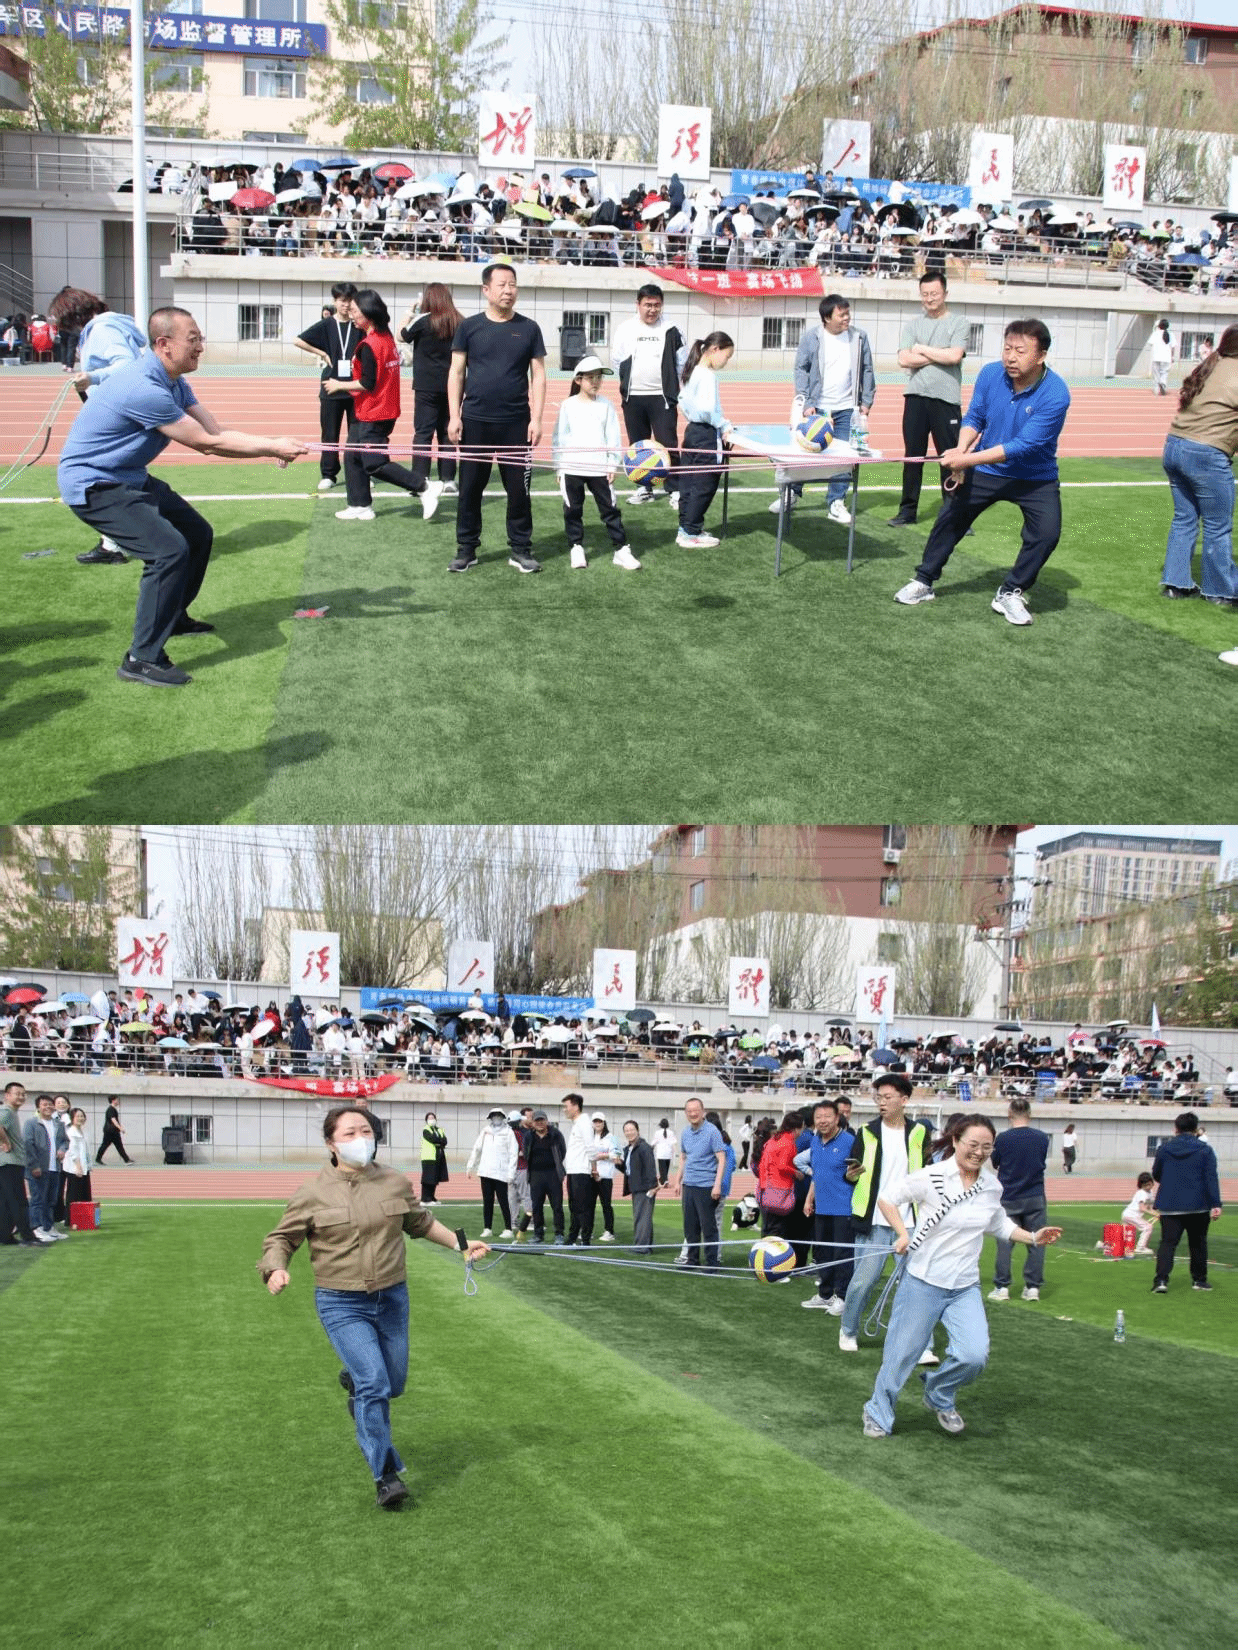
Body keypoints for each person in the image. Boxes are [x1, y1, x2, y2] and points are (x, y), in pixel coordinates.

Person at [56, 306, 307, 687]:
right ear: (164, 344)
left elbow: (214, 430)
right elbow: (207, 444)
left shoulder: (174, 381)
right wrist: (271, 447)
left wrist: (270, 443)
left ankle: (172, 617)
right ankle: (141, 658)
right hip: (95, 484)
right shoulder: (143, 387)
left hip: (128, 476)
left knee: (196, 534)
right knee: (168, 551)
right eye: (193, 340)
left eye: (200, 338)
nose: (200, 346)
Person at [259, 1105, 489, 1508]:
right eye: (349, 1133)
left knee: (393, 1383)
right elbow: (281, 1239)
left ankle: (355, 1381)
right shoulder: (312, 1193)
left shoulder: (393, 1182)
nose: (360, 1139)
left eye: (366, 1131)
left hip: (392, 1298)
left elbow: (419, 1222)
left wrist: (461, 1244)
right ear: (330, 1143)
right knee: (375, 1384)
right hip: (341, 1302)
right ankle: (385, 1475)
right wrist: (275, 1269)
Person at [861, 1115, 1062, 1438]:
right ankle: (877, 1412)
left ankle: (939, 1391)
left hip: (964, 1286)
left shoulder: (992, 1186)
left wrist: (1033, 1237)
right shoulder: (932, 1176)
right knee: (901, 1355)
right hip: (922, 1281)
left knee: (974, 1355)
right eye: (973, 1144)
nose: (979, 1152)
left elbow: (998, 1224)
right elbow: (888, 1198)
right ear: (955, 1141)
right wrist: (902, 1233)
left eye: (987, 1147)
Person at [894, 318, 1071, 626]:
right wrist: (961, 449)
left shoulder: (1056, 394)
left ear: (1041, 356)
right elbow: (975, 416)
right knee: (951, 518)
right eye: (1007, 348)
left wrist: (966, 460)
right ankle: (924, 580)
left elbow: (1022, 446)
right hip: (987, 468)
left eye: (1020, 351)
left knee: (1046, 534)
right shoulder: (991, 374)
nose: (1011, 357)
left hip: (1035, 477)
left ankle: (1010, 591)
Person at [447, 264, 547, 574]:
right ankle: (466, 549)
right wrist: (454, 416)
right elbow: (456, 372)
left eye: (512, 284)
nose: (508, 290)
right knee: (469, 489)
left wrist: (537, 419)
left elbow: (539, 375)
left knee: (519, 491)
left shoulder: (529, 328)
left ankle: (520, 549)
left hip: (516, 423)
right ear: (486, 290)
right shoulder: (469, 327)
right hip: (475, 421)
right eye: (502, 284)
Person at [323, 289, 443, 524]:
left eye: (355, 311)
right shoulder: (385, 337)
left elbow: (367, 383)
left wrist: (339, 385)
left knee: (375, 464)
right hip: (376, 409)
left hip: (374, 412)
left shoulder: (371, 344)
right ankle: (360, 505)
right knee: (353, 456)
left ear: (368, 314)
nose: (351, 315)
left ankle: (424, 486)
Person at [47, 287, 146, 566]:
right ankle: (112, 543)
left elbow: (127, 366)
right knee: (113, 473)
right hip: (117, 412)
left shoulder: (103, 329)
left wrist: (92, 377)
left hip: (116, 415)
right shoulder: (107, 327)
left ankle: (124, 540)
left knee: (96, 473)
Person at [838, 1073, 934, 1355]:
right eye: (878, 1097)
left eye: (888, 1097)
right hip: (874, 1221)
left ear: (904, 1100)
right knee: (863, 1281)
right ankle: (848, 1330)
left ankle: (922, 1345)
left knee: (918, 1285)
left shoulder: (919, 1133)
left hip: (911, 1221)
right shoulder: (866, 1131)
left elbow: (928, 1172)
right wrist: (851, 1175)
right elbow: (852, 1174)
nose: (881, 1102)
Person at [1158, 322, 1238, 607]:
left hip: (1174, 445)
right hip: (1206, 453)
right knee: (1217, 525)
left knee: (1185, 518)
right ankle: (1220, 590)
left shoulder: (1212, 365)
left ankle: (1175, 583)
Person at [888, 273, 969, 527]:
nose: (930, 298)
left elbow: (954, 356)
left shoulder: (959, 323)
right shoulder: (913, 325)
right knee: (913, 457)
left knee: (951, 458)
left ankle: (955, 515)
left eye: (934, 293)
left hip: (946, 399)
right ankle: (907, 511)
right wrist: (939, 354)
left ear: (945, 293)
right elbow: (904, 359)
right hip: (915, 397)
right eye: (925, 294)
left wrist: (922, 349)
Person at [789, 294, 876, 525]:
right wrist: (806, 402)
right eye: (841, 314)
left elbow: (867, 369)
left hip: (847, 408)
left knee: (844, 457)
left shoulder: (859, 337)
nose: (847, 318)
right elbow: (801, 368)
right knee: (806, 453)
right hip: (817, 407)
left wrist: (866, 401)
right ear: (827, 318)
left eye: (848, 313)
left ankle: (836, 502)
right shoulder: (812, 337)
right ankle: (791, 494)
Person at [551, 354, 640, 570]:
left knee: (610, 509)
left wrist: (612, 465)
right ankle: (576, 547)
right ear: (578, 380)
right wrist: (559, 467)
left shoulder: (606, 405)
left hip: (599, 468)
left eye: (599, 377)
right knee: (573, 509)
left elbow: (613, 437)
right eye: (590, 377)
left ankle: (621, 549)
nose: (596, 382)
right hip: (572, 467)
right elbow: (559, 438)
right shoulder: (568, 405)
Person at [610, 283, 685, 506]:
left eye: (656, 305)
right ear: (638, 304)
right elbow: (617, 360)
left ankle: (675, 489)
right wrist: (627, 384)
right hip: (633, 398)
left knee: (668, 444)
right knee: (638, 446)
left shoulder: (672, 329)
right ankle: (644, 488)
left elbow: (681, 362)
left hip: (662, 398)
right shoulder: (625, 329)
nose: (652, 310)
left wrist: (671, 386)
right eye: (647, 305)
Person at [293, 282, 362, 494]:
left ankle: (360, 474)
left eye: (349, 302)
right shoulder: (326, 325)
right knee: (330, 434)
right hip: (331, 388)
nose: (346, 306)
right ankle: (328, 474)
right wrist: (322, 353)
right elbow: (298, 340)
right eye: (342, 301)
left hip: (356, 388)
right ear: (334, 302)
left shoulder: (359, 325)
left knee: (357, 436)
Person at [399, 282, 462, 495]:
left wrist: (410, 311)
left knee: (423, 433)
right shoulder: (459, 321)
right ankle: (448, 479)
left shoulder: (423, 320)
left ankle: (420, 479)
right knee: (447, 432)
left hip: (426, 386)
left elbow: (401, 335)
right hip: (453, 384)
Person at [987, 1097, 1051, 1302]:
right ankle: (1033, 1287)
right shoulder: (1042, 1137)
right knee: (1036, 1242)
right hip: (1034, 1196)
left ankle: (1002, 1286)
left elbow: (996, 1163)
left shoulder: (1003, 1139)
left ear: (1009, 1114)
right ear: (1029, 1114)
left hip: (1009, 1196)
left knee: (1005, 1242)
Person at [676, 331, 735, 550]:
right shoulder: (707, 375)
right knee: (704, 484)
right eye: (727, 356)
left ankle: (685, 528)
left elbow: (682, 401)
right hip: (706, 435)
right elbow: (708, 410)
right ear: (715, 349)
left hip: (692, 432)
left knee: (688, 483)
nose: (726, 362)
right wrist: (725, 425)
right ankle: (691, 532)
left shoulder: (691, 371)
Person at [1150, 1112, 1222, 1293]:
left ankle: (1161, 1281)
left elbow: (1157, 1173)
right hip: (1198, 1205)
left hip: (1170, 1204)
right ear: (1196, 1129)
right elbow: (1211, 1178)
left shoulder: (1164, 1149)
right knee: (1198, 1244)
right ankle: (1199, 1280)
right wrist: (1216, 1204)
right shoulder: (1205, 1150)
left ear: (1176, 1129)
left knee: (1168, 1243)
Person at [797, 1099, 856, 1314]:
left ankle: (842, 1296)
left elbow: (858, 1173)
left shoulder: (849, 1141)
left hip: (843, 1208)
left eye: (827, 1116)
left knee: (842, 1255)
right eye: (818, 1117)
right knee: (823, 1254)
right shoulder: (815, 1141)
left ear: (837, 1118)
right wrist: (809, 1199)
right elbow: (817, 1174)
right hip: (821, 1208)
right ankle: (825, 1294)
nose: (823, 1121)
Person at [669, 1097, 726, 1271]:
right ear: (686, 1113)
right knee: (690, 1226)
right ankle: (692, 1260)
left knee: (708, 1227)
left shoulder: (712, 1131)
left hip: (706, 1186)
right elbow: (683, 1158)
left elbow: (721, 1158)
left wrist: (717, 1185)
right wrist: (678, 1181)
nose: (693, 1114)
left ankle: (712, 1263)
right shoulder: (685, 1132)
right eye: (689, 1111)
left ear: (703, 1112)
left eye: (696, 1110)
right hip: (689, 1185)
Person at [23, 1094, 68, 1243]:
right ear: (38, 1107)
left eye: (50, 1104)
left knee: (51, 1201)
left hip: (55, 1168)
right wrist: (34, 1165)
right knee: (38, 1200)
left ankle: (49, 1227)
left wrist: (62, 1149)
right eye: (44, 1104)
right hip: (38, 1169)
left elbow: (65, 1141)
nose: (48, 1107)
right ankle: (37, 1228)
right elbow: (28, 1145)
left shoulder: (58, 1124)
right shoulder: (31, 1123)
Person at [466, 1106, 517, 1238]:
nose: (496, 1118)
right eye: (494, 1116)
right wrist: (470, 1166)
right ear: (490, 1117)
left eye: (499, 1115)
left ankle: (508, 1229)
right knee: (487, 1201)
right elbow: (477, 1148)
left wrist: (511, 1173)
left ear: (503, 1117)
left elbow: (513, 1154)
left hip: (501, 1172)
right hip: (485, 1171)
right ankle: (487, 1228)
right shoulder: (486, 1131)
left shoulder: (508, 1132)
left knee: (503, 1201)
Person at [0, 1081, 38, 1247]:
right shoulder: (6, 1111)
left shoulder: (11, 1112)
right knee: (19, 1201)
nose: (21, 1097)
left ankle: (5, 1236)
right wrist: (6, 1142)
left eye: (23, 1094)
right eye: (17, 1093)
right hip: (10, 1162)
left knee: (6, 1202)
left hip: (7, 1163)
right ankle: (28, 1237)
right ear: (7, 1095)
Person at [525, 1107, 567, 1244]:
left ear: (546, 1121)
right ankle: (538, 1235)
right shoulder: (529, 1136)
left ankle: (559, 1234)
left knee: (557, 1206)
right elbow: (526, 1153)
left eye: (542, 1120)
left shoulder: (556, 1134)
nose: (540, 1123)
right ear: (533, 1123)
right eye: (537, 1120)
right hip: (535, 1175)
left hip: (553, 1175)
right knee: (537, 1206)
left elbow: (563, 1151)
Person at [562, 1092, 595, 1245]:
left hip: (581, 1171)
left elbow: (590, 1148)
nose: (565, 1110)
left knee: (583, 1208)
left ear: (575, 1106)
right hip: (573, 1171)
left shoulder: (584, 1123)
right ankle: (572, 1237)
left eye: (566, 1106)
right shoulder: (577, 1124)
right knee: (573, 1207)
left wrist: (593, 1168)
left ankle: (585, 1239)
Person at [621, 1119, 658, 1252]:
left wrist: (653, 1187)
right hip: (636, 1187)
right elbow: (628, 1169)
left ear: (637, 1131)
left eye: (632, 1130)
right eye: (626, 1130)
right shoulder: (629, 1149)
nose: (629, 1133)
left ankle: (642, 1247)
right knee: (641, 1217)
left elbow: (650, 1167)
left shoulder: (644, 1147)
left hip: (644, 1188)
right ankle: (644, 1245)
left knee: (642, 1218)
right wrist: (618, 1163)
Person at [586, 1111, 620, 1242]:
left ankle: (609, 1231)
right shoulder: (589, 1137)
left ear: (604, 1123)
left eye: (599, 1121)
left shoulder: (613, 1138)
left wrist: (603, 1156)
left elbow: (618, 1156)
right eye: (595, 1121)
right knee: (589, 1205)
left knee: (606, 1205)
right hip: (590, 1175)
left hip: (605, 1176)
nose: (597, 1124)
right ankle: (588, 1231)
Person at [60, 1107, 93, 1228]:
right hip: (74, 1168)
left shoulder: (83, 1132)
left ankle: (84, 1219)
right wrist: (78, 1166)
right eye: (77, 1116)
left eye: (82, 1116)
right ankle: (70, 1220)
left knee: (85, 1193)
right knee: (74, 1195)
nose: (80, 1118)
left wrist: (88, 1165)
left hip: (84, 1167)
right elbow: (73, 1151)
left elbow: (86, 1151)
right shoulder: (71, 1132)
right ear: (72, 1118)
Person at [1121, 1172, 1157, 1256]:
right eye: (1145, 1185)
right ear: (1141, 1185)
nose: (1148, 1187)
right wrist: (1155, 1214)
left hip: (1127, 1214)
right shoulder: (1142, 1193)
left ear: (1152, 1183)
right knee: (1148, 1227)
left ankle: (1105, 1245)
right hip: (1132, 1215)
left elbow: (1149, 1207)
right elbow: (1142, 1208)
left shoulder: (1150, 1193)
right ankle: (1141, 1248)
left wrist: (1156, 1213)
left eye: (1149, 1184)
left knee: (1124, 1234)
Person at [418, 1111, 447, 1205]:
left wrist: (439, 1141)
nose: (432, 1120)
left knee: (434, 1178)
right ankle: (425, 1199)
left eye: (433, 1118)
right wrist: (439, 1141)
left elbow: (444, 1141)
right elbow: (433, 1139)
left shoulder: (439, 1130)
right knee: (428, 1178)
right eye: (429, 1118)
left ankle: (431, 1197)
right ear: (426, 1120)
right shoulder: (426, 1130)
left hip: (437, 1156)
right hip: (428, 1157)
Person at [95, 1095, 132, 1164]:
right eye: (117, 1100)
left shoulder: (112, 1109)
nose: (118, 1101)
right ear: (113, 1100)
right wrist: (120, 1128)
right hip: (111, 1131)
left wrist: (119, 1128)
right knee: (107, 1145)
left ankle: (127, 1160)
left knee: (117, 1146)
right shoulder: (111, 1109)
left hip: (112, 1131)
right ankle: (127, 1160)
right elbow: (113, 1120)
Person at [1150, 319, 1174, 396]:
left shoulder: (1155, 333)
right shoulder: (1171, 334)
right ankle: (1163, 384)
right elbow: (1173, 347)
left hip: (1156, 357)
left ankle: (1156, 390)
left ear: (1159, 326)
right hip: (1166, 358)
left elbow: (1150, 343)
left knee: (1156, 374)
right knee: (1164, 373)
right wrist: (1172, 357)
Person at [652, 1117, 677, 1187]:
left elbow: (654, 1143)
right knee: (666, 1169)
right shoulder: (671, 1132)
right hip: (668, 1153)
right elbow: (674, 1143)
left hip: (660, 1154)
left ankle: (664, 1181)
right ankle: (664, 1180)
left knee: (662, 1169)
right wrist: (676, 1153)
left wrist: (651, 1149)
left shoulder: (657, 1133)